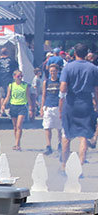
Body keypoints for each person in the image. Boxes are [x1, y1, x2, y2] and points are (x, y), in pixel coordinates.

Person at [59, 43, 98, 172]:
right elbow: (96, 90)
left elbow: (63, 88)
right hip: (86, 103)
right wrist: (96, 104)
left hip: (71, 102)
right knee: (84, 136)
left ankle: (64, 165)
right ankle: (80, 165)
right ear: (86, 53)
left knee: (67, 135)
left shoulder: (68, 67)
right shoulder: (93, 68)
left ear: (74, 53)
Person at [1, 70, 35, 151]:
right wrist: (3, 105)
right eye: (18, 76)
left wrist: (31, 108)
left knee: (19, 126)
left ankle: (17, 144)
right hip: (13, 106)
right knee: (15, 127)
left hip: (22, 106)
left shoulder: (25, 85)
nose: (20, 78)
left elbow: (28, 97)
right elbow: (8, 96)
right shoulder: (11, 85)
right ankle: (16, 141)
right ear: (14, 77)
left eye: (21, 76)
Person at [40, 63, 63, 156]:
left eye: (54, 71)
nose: (52, 73)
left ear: (57, 72)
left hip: (57, 106)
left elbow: (63, 95)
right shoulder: (46, 82)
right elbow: (44, 95)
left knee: (59, 128)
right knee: (47, 126)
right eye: (51, 71)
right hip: (48, 106)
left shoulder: (60, 82)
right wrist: (42, 108)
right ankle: (48, 146)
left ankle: (60, 144)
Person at [0, 47, 18, 114]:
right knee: (9, 95)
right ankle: (7, 108)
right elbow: (16, 69)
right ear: (7, 52)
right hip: (10, 80)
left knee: (1, 96)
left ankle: (1, 111)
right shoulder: (12, 60)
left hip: (1, 80)